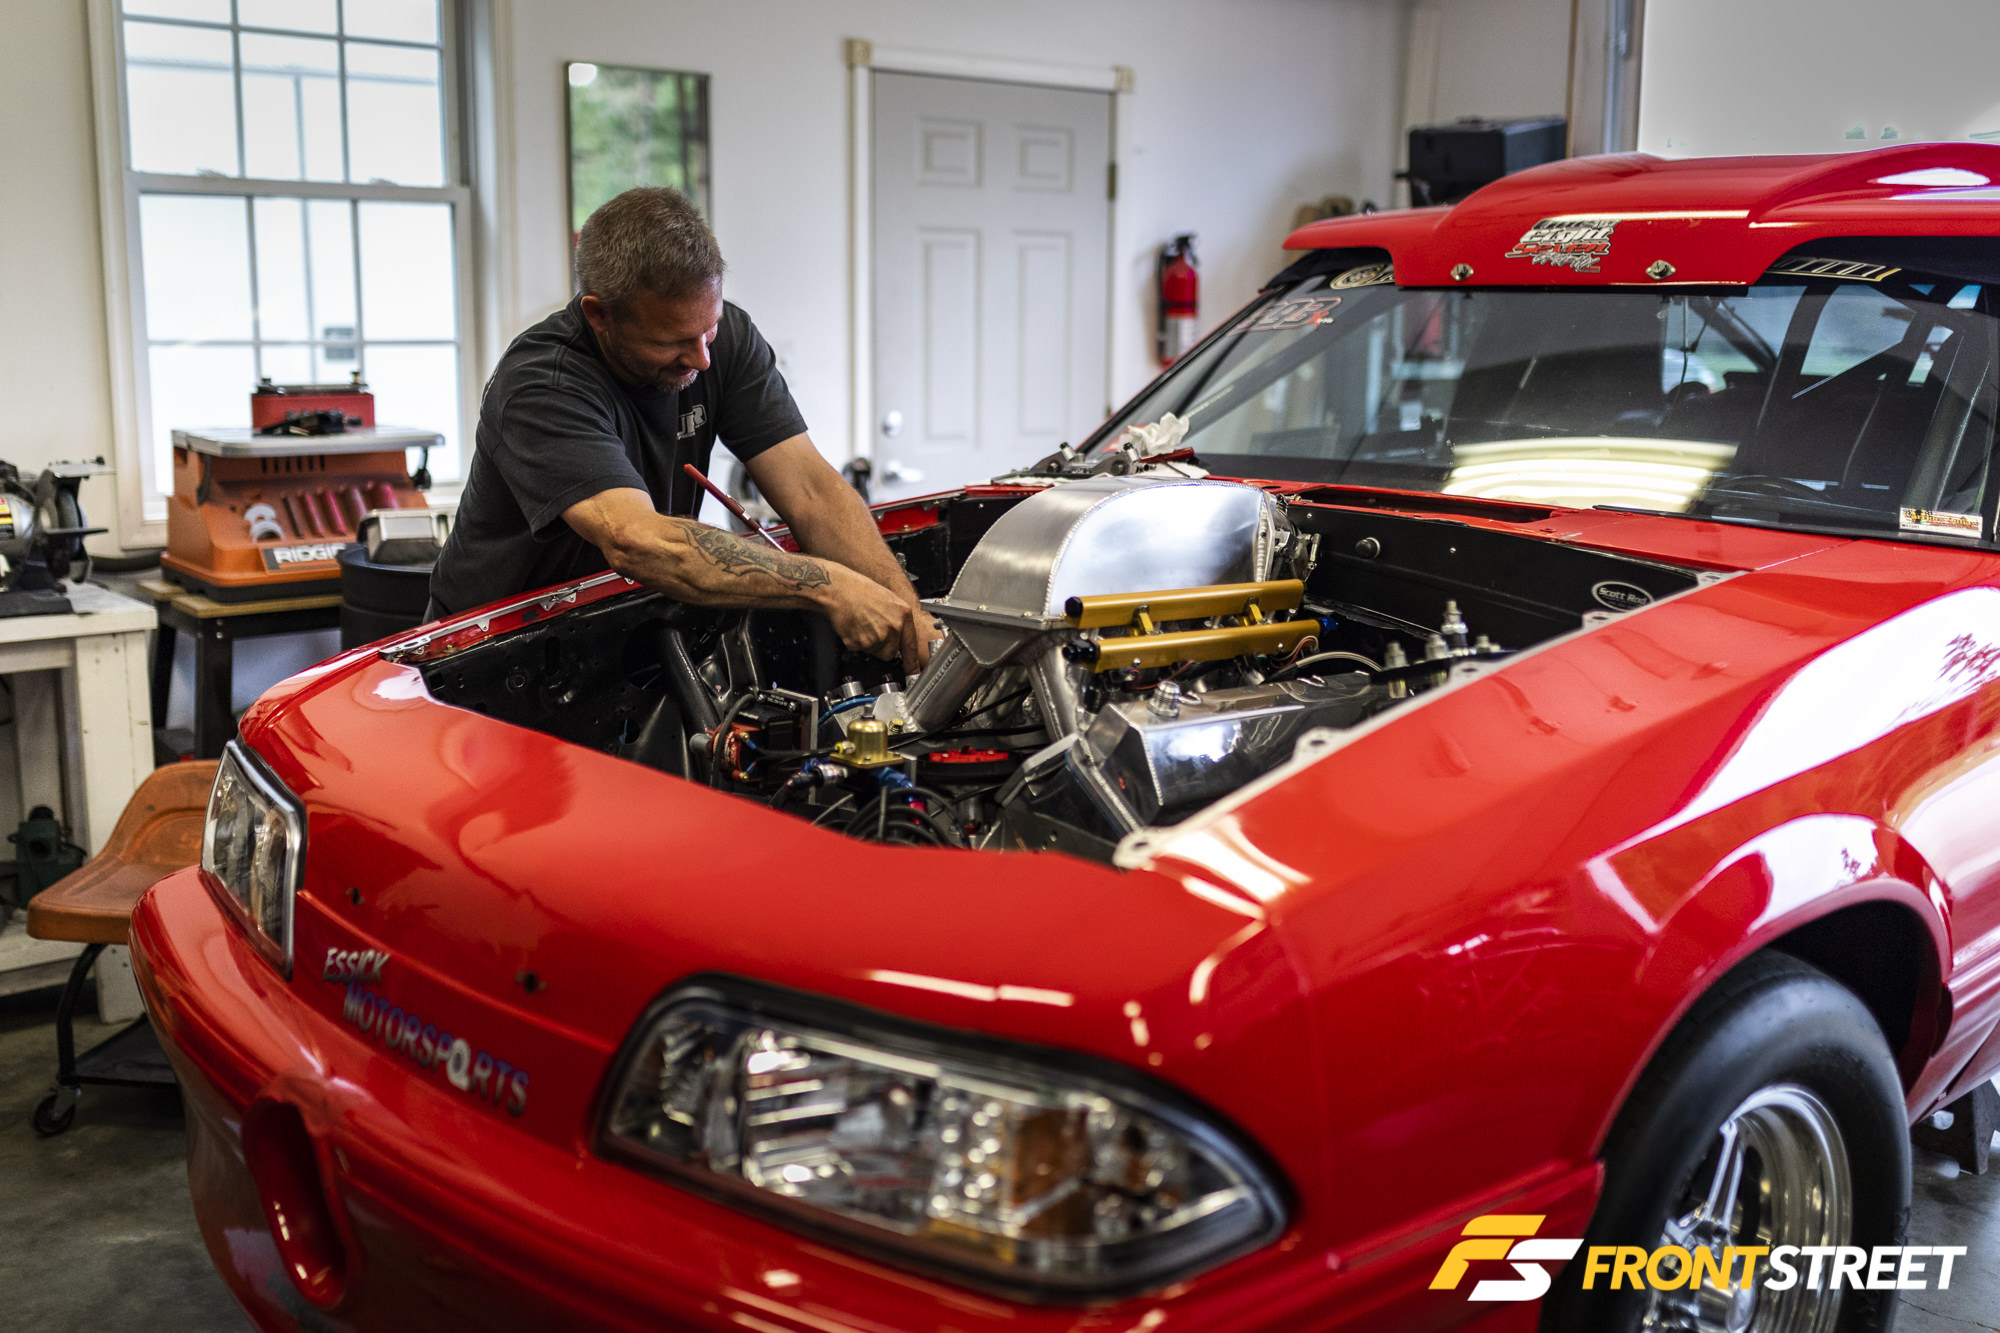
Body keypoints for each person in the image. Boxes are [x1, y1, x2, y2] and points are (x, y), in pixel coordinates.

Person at [428, 187, 935, 670]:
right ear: (599, 314)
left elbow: (811, 491)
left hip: (621, 630)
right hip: (489, 656)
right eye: (673, 340)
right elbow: (639, 540)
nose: (702, 358)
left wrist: (910, 618)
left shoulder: (724, 339)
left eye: (708, 327)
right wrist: (829, 584)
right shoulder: (542, 385)